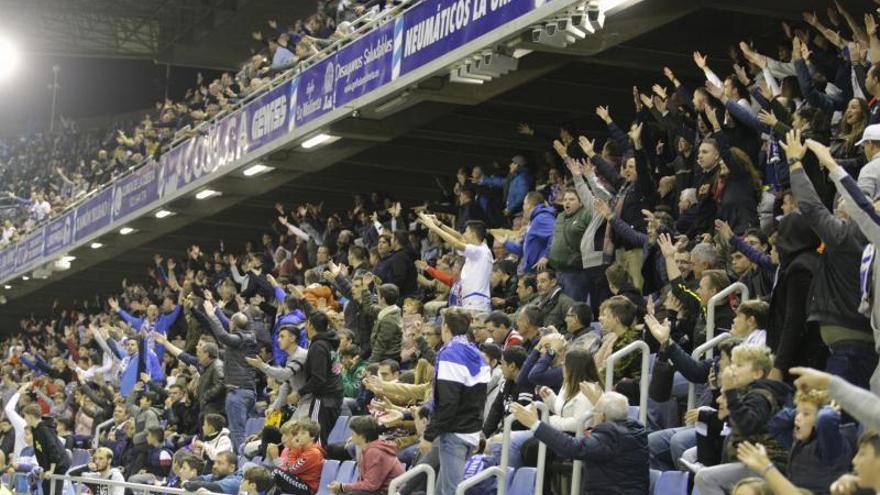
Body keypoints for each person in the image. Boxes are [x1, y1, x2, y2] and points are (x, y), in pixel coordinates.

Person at [694, 345, 792, 495]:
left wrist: (730, 392)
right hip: (750, 461)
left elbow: (748, 425)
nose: (733, 369)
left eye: (739, 365)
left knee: (706, 478)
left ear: (757, 373)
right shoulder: (748, 393)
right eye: (732, 364)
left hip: (768, 464)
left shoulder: (760, 395)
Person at [511, 391, 648, 495]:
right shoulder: (634, 432)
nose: (593, 415)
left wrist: (535, 424)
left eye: (595, 411)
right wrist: (600, 403)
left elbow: (572, 447)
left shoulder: (610, 437)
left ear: (602, 416)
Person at [421, 309, 490, 495]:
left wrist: (429, 435)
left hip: (455, 431)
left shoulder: (450, 354)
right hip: (471, 429)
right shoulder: (477, 354)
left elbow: (448, 402)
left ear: (445, 327)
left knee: (451, 491)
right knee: (441, 490)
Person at [195, 299, 260, 454]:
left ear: (233, 325)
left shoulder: (238, 340)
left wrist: (212, 315)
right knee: (246, 431)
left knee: (237, 432)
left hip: (237, 392)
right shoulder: (249, 336)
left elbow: (223, 335)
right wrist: (218, 309)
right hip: (249, 391)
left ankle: (242, 463)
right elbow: (235, 323)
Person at [418, 215, 494, 312]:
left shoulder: (480, 251)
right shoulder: (480, 249)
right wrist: (439, 224)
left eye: (466, 231)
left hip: (476, 302)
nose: (464, 234)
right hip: (472, 300)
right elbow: (459, 237)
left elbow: (456, 243)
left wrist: (434, 227)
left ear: (473, 234)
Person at [295, 311, 343, 445]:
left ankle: (315, 465)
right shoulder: (330, 343)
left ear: (310, 325)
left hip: (324, 397)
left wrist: (299, 392)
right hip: (335, 394)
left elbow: (318, 378)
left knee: (316, 439)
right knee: (321, 438)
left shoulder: (318, 346)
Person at [328, 416, 404, 495]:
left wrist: (342, 487)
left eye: (353, 433)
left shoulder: (374, 452)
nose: (351, 436)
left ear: (362, 436)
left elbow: (370, 485)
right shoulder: (372, 448)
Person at [22, 403, 71, 495]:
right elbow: (40, 451)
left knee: (54, 491)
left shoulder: (44, 429)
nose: (24, 419)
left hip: (59, 463)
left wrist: (51, 470)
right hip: (50, 465)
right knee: (45, 487)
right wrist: (44, 469)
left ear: (31, 417)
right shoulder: (35, 429)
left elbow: (53, 449)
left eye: (25, 416)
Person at [502, 191, 556, 274]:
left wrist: (546, 256)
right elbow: (524, 249)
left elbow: (556, 235)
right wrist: (506, 242)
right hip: (532, 270)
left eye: (524, 204)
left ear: (529, 205)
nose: (523, 207)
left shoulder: (542, 217)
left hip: (540, 271)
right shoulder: (534, 220)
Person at [273, 419, 325, 495]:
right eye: (298, 433)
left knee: (276, 472)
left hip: (307, 487)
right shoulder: (301, 448)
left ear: (312, 437)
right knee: (266, 471)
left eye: (303, 433)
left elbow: (291, 469)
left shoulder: (313, 453)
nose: (299, 436)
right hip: (297, 480)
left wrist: (294, 448)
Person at [359, 277, 402, 363]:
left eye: (378, 295)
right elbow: (368, 308)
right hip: (382, 357)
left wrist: (370, 365)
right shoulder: (386, 310)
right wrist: (365, 287)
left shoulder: (389, 320)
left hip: (387, 359)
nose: (376, 297)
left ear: (382, 299)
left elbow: (380, 347)